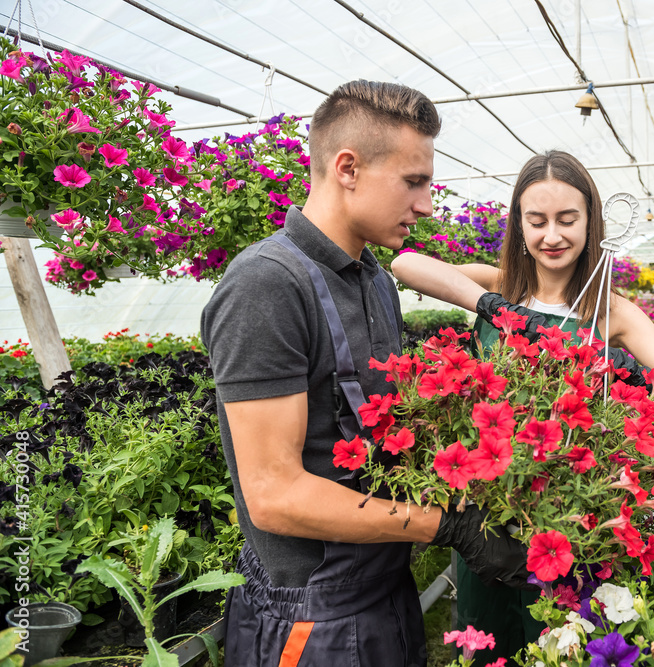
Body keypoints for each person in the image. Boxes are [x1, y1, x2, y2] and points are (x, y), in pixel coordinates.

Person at [200, 80, 530, 667]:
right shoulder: (267, 285)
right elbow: (274, 496)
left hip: (384, 587)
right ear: (347, 168)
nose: (426, 205)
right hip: (312, 615)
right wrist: (449, 527)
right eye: (414, 181)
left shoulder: (373, 278)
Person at [391, 150, 654, 664]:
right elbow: (405, 263)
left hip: (570, 514)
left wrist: (629, 370)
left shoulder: (612, 312)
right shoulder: (499, 284)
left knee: (558, 641)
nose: (552, 236)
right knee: (487, 640)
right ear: (518, 225)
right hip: (491, 514)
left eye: (568, 220)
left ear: (591, 223)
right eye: (537, 220)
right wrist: (492, 306)